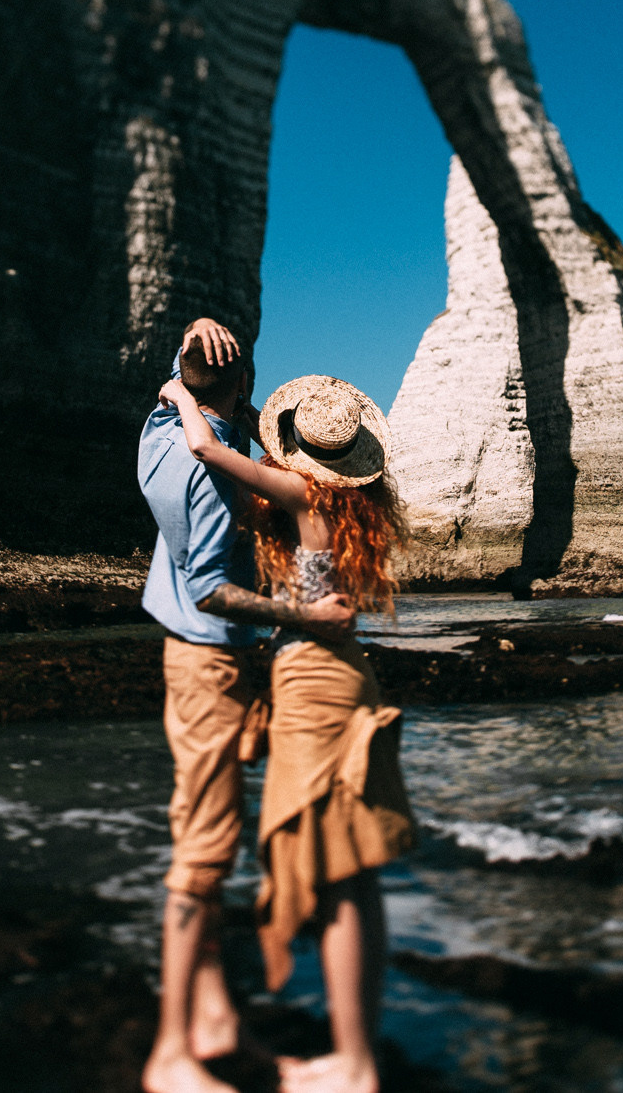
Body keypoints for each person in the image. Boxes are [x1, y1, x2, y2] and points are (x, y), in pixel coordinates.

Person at [155, 372, 415, 1093]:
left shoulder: (304, 495)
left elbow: (206, 450)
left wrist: (179, 396)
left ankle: (354, 1063)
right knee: (349, 871)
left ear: (302, 451)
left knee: (337, 870)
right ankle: (354, 1053)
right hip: (344, 673)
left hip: (312, 685)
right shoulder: (359, 506)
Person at [139, 320, 359, 1093]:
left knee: (202, 831)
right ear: (242, 383)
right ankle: (171, 1054)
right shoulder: (215, 470)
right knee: (203, 853)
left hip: (195, 657)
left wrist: (185, 361)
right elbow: (209, 586)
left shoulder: (164, 424)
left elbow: (196, 398)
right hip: (210, 659)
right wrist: (307, 619)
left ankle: (212, 1018)